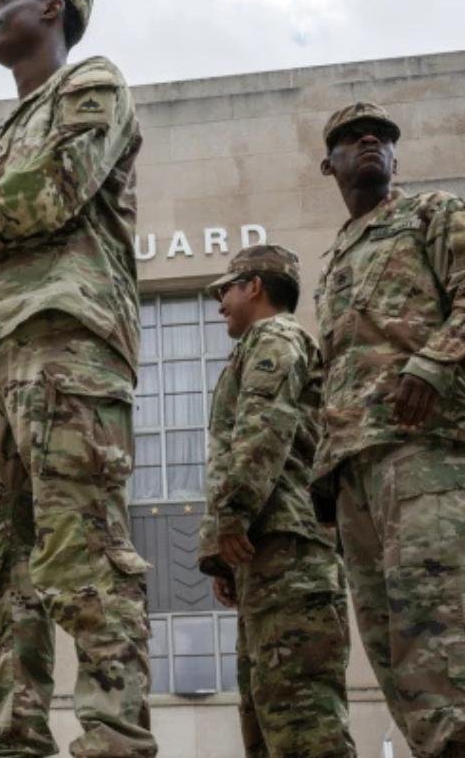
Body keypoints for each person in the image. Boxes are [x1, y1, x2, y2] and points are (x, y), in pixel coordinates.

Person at [0, 0, 155, 757]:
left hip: (63, 344)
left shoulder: (92, 85)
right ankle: (10, 737)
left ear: (52, 8)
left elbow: (56, 188)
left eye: (5, 0)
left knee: (82, 553)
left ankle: (114, 737)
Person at [314, 102, 465, 758]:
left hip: (424, 448)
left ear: (395, 157)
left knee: (442, 623)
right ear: (330, 164)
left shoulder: (431, 212)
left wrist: (434, 361)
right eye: (350, 138)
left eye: (381, 136)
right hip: (354, 469)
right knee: (392, 645)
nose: (368, 141)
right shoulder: (336, 258)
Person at [197, 245, 355, 758]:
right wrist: (225, 555)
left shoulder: (276, 338)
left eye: (226, 288)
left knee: (303, 719)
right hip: (268, 552)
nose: (220, 301)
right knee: (268, 715)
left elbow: (262, 432)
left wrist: (230, 519)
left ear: (254, 287)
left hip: (291, 550)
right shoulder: (260, 346)